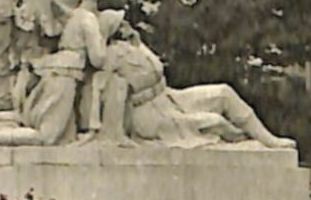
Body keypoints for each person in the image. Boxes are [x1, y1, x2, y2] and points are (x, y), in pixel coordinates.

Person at [97, 9, 296, 149]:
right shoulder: (111, 56)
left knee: (223, 92)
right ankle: (245, 140)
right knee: (214, 122)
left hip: (169, 97)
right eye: (121, 23)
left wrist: (138, 44)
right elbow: (103, 93)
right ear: (114, 30)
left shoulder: (135, 46)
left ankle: (268, 139)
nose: (127, 25)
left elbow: (157, 68)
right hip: (148, 114)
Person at [18, 0, 107, 144]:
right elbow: (98, 59)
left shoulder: (70, 16)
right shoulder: (88, 18)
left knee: (55, 136)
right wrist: (106, 39)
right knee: (46, 136)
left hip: (56, 73)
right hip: (65, 77)